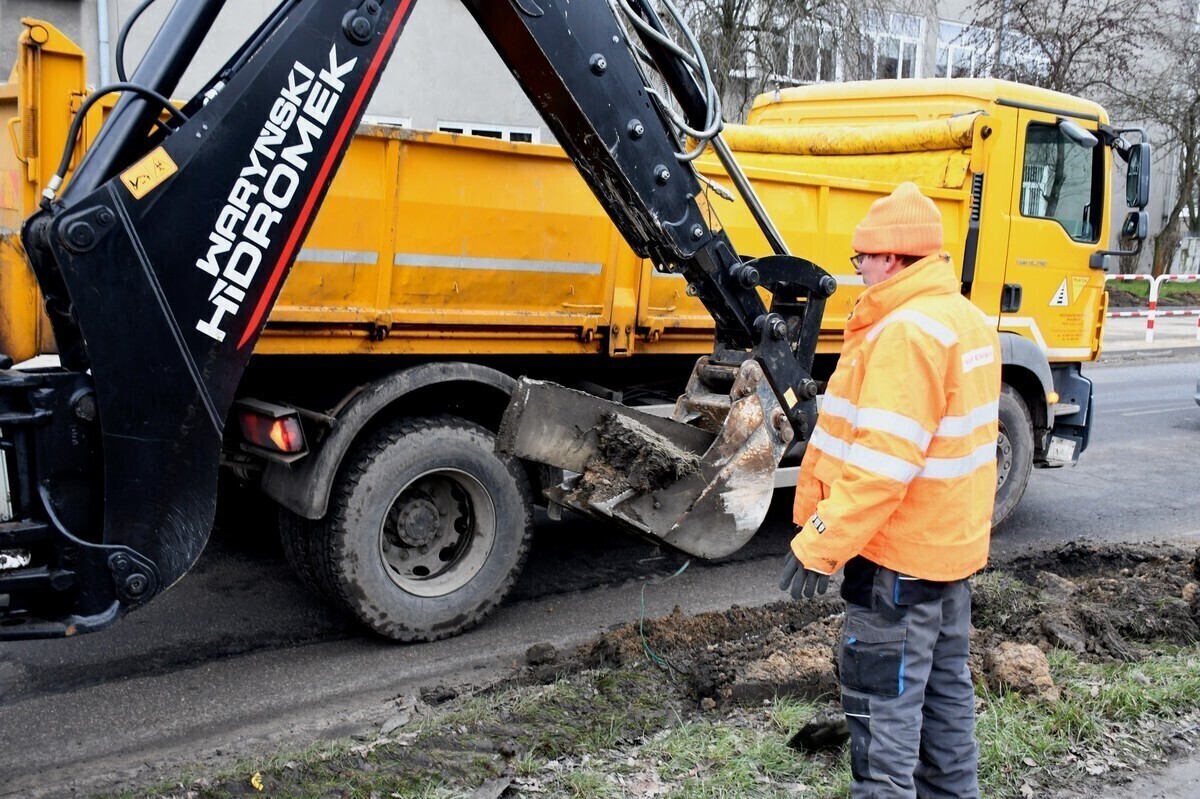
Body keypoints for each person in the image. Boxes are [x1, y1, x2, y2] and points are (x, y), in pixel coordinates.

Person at [779, 181, 1001, 799]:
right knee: (946, 707)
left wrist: (819, 541)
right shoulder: (966, 320)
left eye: (863, 259)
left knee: (884, 727)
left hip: (894, 566)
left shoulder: (904, 333)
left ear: (896, 258)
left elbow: (882, 465)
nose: (857, 272)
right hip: (946, 559)